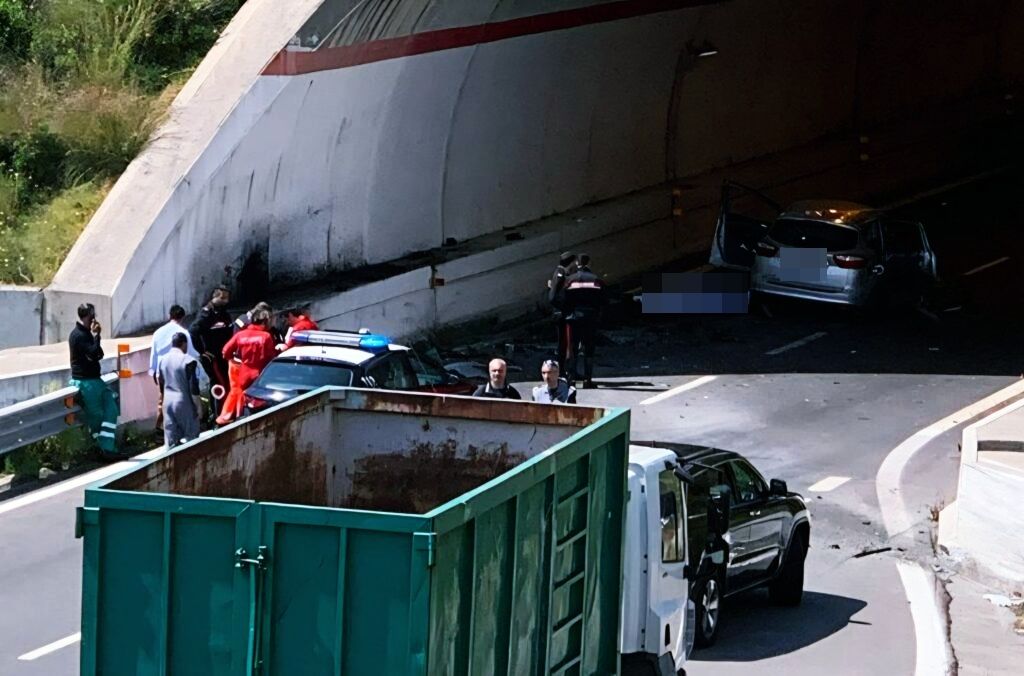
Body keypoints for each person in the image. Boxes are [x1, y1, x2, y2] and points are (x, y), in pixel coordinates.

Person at [69, 303, 120, 456]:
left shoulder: (86, 333)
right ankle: (104, 448)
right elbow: (93, 353)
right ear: (88, 316)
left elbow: (99, 354)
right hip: (85, 382)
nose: (95, 318)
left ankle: (106, 446)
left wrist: (96, 337)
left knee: (111, 409)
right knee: (97, 417)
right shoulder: (78, 335)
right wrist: (97, 336)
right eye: (93, 315)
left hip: (95, 380)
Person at [216, 308, 277, 425]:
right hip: (260, 374)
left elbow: (225, 351)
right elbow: (271, 357)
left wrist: (233, 359)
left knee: (240, 394)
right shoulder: (266, 336)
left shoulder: (240, 335)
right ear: (265, 321)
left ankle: (237, 418)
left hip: (244, 372)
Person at [149, 304, 199, 432]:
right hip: (179, 371)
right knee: (181, 399)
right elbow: (191, 354)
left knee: (163, 399)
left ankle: (159, 429)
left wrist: (153, 371)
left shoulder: (158, 332)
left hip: (162, 371)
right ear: (182, 317)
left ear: (169, 316)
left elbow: (154, 353)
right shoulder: (183, 333)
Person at [563, 253, 607, 389]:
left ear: (577, 264)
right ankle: (588, 379)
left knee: (572, 348)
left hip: (574, 318)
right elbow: (603, 300)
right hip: (590, 318)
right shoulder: (596, 280)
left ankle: (570, 379)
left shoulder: (570, 280)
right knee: (589, 349)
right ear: (589, 263)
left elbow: (564, 298)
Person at [189, 287, 233, 404]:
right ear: (218, 297)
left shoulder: (222, 312)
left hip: (224, 355)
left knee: (227, 383)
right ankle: (219, 415)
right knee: (219, 385)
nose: (226, 301)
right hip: (214, 356)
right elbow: (193, 331)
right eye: (224, 298)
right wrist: (202, 351)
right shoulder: (207, 313)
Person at [158, 333, 201, 449]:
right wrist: (198, 406)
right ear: (184, 344)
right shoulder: (188, 360)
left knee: (171, 443)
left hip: (167, 402)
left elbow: (160, 382)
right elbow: (193, 387)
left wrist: (162, 402)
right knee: (192, 440)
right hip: (183, 402)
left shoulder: (162, 360)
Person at [548, 252, 576, 373]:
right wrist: (563, 307)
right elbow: (553, 297)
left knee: (565, 343)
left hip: (561, 313)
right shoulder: (560, 274)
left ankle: (565, 369)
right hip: (561, 314)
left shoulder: (563, 273)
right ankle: (562, 369)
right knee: (563, 344)